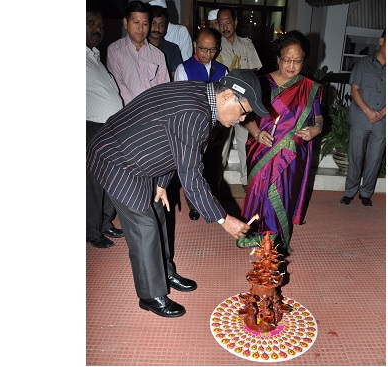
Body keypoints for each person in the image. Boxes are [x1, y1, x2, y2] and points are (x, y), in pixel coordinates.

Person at [86, 68, 270, 318]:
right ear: (227, 96)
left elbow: (171, 140)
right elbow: (192, 177)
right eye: (244, 110)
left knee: (159, 213)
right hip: (116, 157)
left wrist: (161, 183)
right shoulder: (195, 113)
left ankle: (165, 271)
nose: (242, 119)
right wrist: (223, 219)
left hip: (139, 155)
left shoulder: (202, 95)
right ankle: (151, 295)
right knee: (144, 226)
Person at [240, 30, 323, 249]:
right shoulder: (261, 83)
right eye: (287, 59)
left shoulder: (309, 88)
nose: (292, 65)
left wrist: (315, 129)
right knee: (261, 192)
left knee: (283, 194)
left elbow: (318, 117)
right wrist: (256, 132)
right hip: (262, 148)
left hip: (291, 153)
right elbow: (246, 116)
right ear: (278, 58)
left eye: (298, 61)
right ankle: (256, 235)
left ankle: (276, 241)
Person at [174, 27, 229, 221]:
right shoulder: (184, 69)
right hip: (192, 129)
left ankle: (211, 202)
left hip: (216, 128)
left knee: (213, 166)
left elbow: (226, 103)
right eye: (204, 49)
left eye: (213, 50)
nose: (208, 54)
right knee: (194, 167)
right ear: (195, 45)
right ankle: (194, 206)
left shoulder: (222, 70)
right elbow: (181, 103)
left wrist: (217, 128)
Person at [86, 8, 125, 248]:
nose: (97, 28)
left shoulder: (93, 57)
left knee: (108, 180)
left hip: (107, 127)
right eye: (90, 23)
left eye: (100, 25)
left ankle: (104, 222)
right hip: (90, 126)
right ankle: (91, 230)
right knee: (92, 183)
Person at [217, 7, 263, 192]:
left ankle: (246, 180)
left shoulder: (246, 44)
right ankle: (217, 180)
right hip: (225, 103)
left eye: (228, 22)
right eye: (220, 23)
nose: (224, 26)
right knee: (222, 143)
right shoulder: (216, 45)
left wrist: (237, 77)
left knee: (245, 142)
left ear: (235, 22)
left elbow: (255, 69)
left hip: (244, 103)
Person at [340, 29, 386, 207]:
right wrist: (368, 111)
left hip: (382, 121)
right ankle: (350, 191)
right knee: (356, 156)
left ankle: (366, 193)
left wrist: (381, 113)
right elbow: (354, 90)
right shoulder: (363, 63)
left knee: (375, 159)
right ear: (381, 41)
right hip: (361, 117)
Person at [107, 1, 169, 105]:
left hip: (155, 114)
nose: (140, 29)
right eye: (136, 22)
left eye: (145, 24)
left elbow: (164, 89)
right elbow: (119, 87)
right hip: (128, 113)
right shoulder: (115, 50)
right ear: (126, 23)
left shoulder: (158, 55)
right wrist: (139, 110)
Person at [148, 4, 183, 80]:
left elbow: (177, 76)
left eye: (161, 25)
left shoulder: (172, 48)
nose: (157, 28)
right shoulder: (140, 46)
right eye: (154, 23)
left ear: (165, 27)